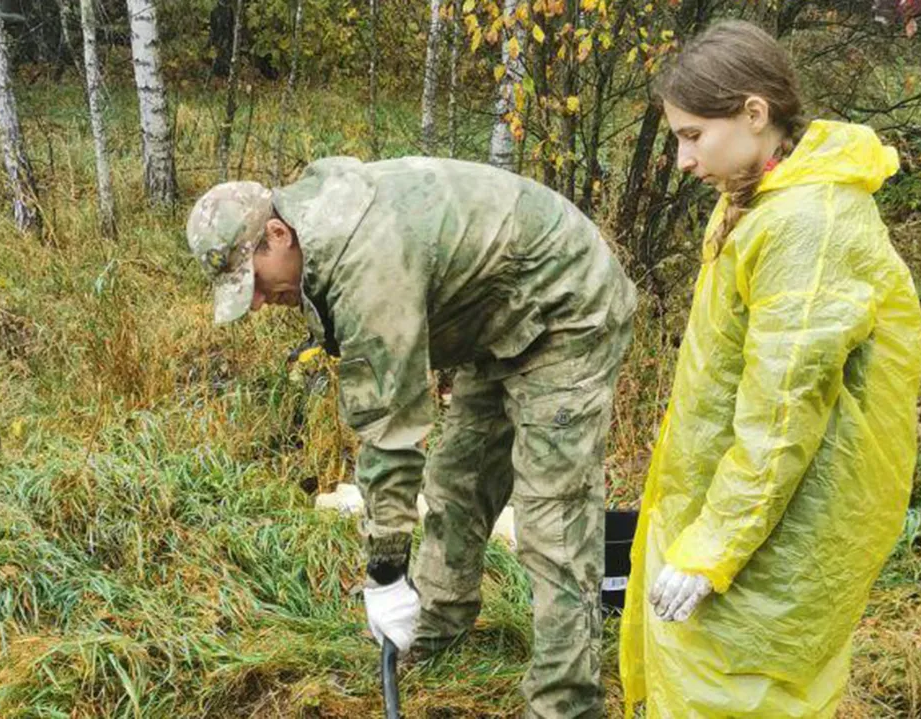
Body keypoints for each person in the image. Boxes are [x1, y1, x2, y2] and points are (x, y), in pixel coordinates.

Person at [185, 156, 637, 718]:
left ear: (277, 234)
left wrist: (385, 572)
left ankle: (564, 701)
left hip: (566, 308)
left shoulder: (364, 262)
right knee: (457, 483)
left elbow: (391, 435)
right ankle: (438, 626)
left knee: (553, 517)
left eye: (253, 282)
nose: (257, 302)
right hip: (495, 319)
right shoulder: (315, 224)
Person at [618, 20, 921, 718]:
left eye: (693, 135)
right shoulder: (756, 201)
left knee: (740, 693)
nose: (681, 161)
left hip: (774, 533)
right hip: (731, 516)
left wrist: (712, 548)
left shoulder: (805, 226)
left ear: (755, 113)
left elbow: (782, 416)